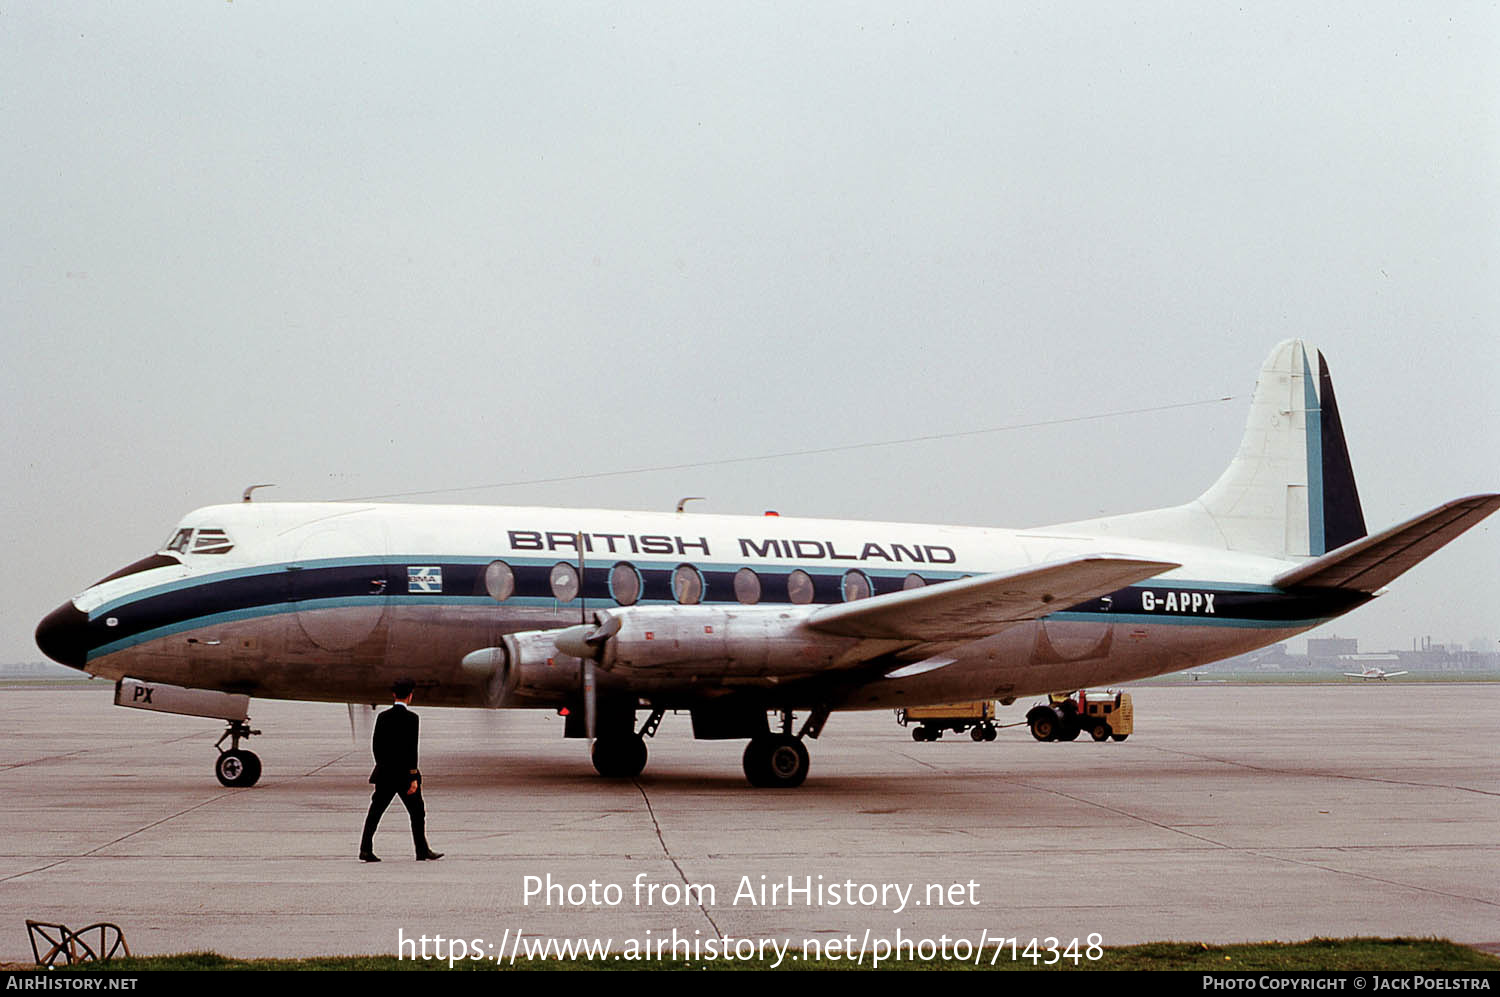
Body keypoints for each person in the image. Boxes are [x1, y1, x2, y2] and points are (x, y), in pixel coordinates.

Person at [359, 678, 442, 862]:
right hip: (405, 777)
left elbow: (376, 746)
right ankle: (421, 850)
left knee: (375, 813)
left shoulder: (382, 717)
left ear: (394, 695)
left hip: (385, 775)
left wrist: (382, 767)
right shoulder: (412, 719)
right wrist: (413, 777)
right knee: (417, 812)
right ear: (410, 696)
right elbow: (412, 750)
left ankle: (365, 849)